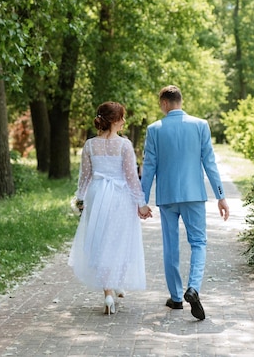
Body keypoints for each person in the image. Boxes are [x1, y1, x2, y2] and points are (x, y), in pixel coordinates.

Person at [141, 85, 230, 321]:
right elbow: (209, 162)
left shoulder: (154, 129)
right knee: (199, 242)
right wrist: (221, 196)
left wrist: (142, 200)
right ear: (180, 101)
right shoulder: (200, 125)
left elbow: (149, 167)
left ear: (164, 103)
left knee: (171, 246)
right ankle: (193, 288)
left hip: (167, 197)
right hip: (194, 196)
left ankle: (176, 297)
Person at [69, 101, 152, 315]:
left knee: (101, 239)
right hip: (119, 195)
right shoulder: (124, 145)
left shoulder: (89, 145)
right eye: (122, 118)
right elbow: (132, 178)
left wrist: (80, 198)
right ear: (114, 121)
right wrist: (141, 204)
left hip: (97, 194)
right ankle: (115, 282)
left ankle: (108, 292)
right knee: (120, 239)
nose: (124, 121)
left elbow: (85, 176)